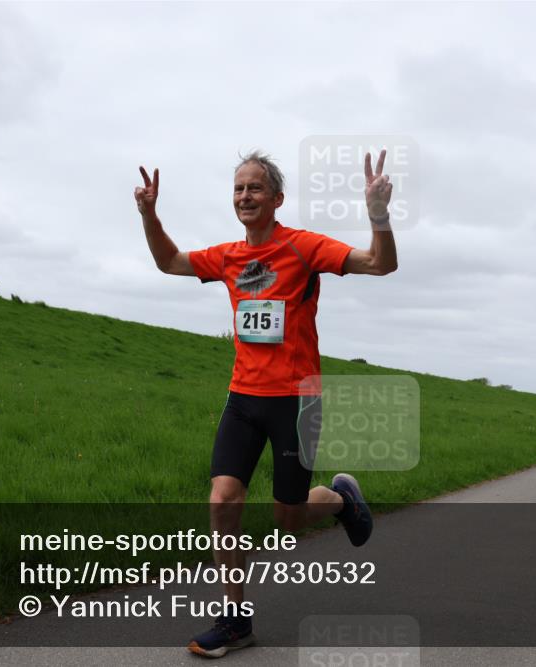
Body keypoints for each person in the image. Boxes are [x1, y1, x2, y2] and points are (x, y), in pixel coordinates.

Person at [135, 150, 398, 658]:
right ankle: (235, 620)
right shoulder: (229, 256)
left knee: (289, 519)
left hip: (296, 404)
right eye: (238, 189)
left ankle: (342, 498)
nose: (244, 196)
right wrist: (149, 215)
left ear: (277, 199)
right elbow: (170, 261)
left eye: (255, 188)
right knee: (223, 500)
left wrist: (378, 214)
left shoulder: (303, 248)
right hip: (243, 398)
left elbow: (380, 264)